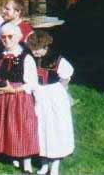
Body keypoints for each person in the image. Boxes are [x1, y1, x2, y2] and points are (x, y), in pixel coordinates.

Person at [0, 24, 39, 173]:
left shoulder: (25, 57)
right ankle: (13, 156)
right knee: (7, 127)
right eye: (3, 37)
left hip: (20, 97)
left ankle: (27, 163)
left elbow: (32, 83)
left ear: (18, 37)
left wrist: (14, 89)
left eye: (10, 37)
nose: (6, 40)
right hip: (3, 95)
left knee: (22, 127)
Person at [27, 31, 74, 175]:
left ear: (44, 47)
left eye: (36, 49)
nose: (34, 52)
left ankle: (55, 166)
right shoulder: (31, 58)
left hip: (54, 97)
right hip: (39, 96)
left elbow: (67, 75)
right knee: (41, 129)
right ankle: (44, 164)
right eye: (32, 48)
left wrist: (59, 90)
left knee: (55, 130)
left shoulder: (57, 60)